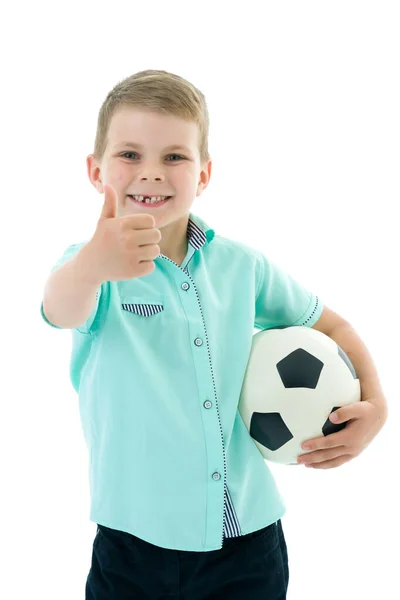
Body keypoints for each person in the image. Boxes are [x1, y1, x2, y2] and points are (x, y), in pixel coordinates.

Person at [41, 69, 387, 600]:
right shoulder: (91, 271)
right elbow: (59, 308)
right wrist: (92, 264)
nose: (151, 173)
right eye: (129, 155)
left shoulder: (242, 267)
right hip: (131, 545)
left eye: (174, 157)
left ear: (203, 174)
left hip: (246, 541)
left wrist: (377, 404)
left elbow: (332, 324)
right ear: (95, 171)